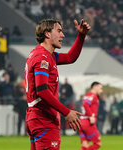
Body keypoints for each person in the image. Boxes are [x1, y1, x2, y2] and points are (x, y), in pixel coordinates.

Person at [25, 19, 90, 150]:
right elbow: (42, 91)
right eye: (59, 31)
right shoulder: (42, 57)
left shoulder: (47, 55)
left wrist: (81, 35)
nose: (63, 35)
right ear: (47, 34)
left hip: (37, 118)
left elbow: (71, 57)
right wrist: (67, 112)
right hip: (44, 119)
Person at [78, 82, 103, 150]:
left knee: (85, 145)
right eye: (100, 88)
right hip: (88, 122)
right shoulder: (93, 96)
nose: (101, 90)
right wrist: (91, 116)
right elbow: (85, 104)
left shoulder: (87, 95)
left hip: (81, 122)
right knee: (98, 144)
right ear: (95, 87)